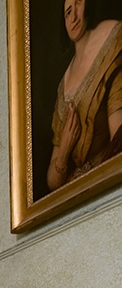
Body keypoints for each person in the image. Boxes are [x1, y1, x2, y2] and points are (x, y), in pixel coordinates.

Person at [47, 0, 122, 191]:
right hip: (76, 191)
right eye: (67, 12)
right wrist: (64, 150)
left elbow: (118, 141)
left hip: (107, 181)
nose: (73, 17)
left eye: (78, 3)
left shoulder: (111, 37)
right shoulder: (63, 83)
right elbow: (51, 181)